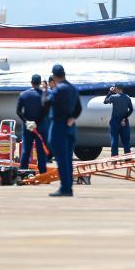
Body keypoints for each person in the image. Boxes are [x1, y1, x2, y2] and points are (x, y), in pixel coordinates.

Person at [43, 64, 82, 196]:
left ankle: (64, 188)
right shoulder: (73, 89)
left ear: (54, 76)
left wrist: (44, 91)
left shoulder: (58, 89)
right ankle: (68, 187)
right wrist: (72, 118)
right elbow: (79, 109)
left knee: (60, 158)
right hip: (70, 126)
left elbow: (46, 104)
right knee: (68, 159)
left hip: (58, 125)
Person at [16, 74, 48, 174]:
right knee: (40, 152)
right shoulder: (43, 94)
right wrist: (36, 122)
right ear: (40, 83)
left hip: (27, 127)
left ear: (31, 82)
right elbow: (45, 111)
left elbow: (18, 111)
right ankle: (43, 174)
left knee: (26, 150)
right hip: (40, 127)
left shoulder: (23, 94)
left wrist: (27, 122)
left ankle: (22, 172)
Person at [104, 84, 134, 156]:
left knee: (114, 140)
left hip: (115, 122)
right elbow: (131, 110)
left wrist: (110, 92)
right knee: (126, 142)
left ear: (116, 88)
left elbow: (105, 101)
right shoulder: (127, 97)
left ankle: (114, 159)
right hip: (124, 122)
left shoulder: (113, 97)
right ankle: (127, 159)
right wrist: (124, 119)